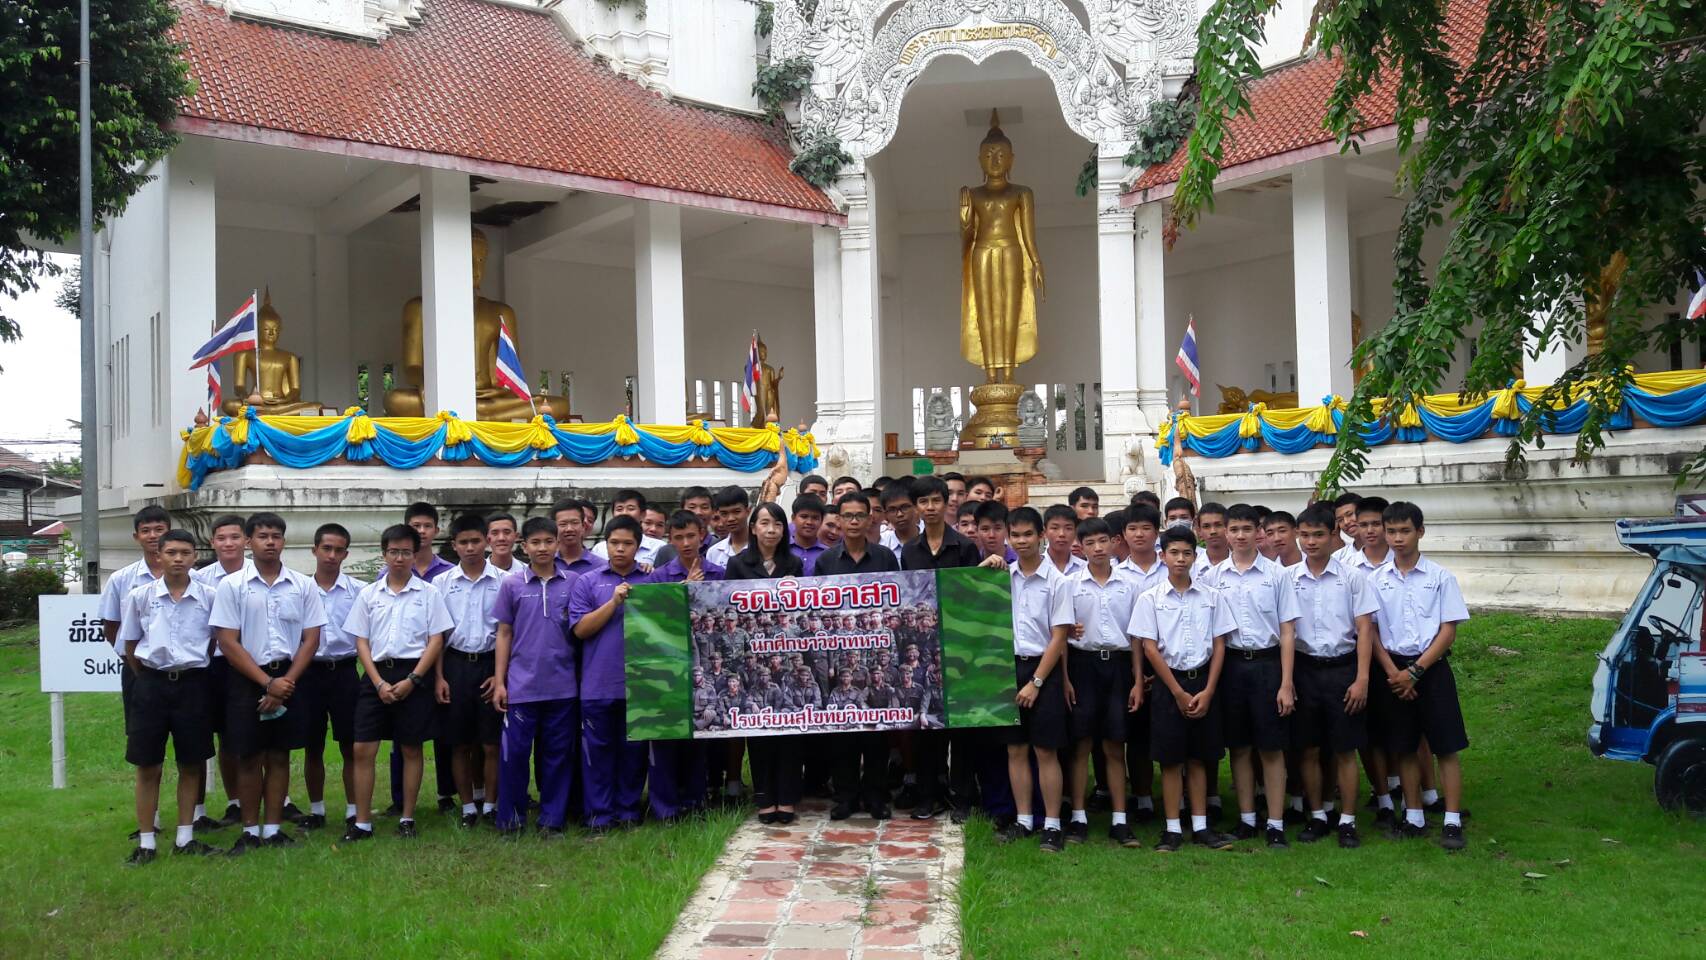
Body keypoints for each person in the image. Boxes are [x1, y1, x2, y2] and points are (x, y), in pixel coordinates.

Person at [211, 513, 327, 853]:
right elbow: (227, 641)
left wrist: (285, 682)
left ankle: (274, 829)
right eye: (263, 536)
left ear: (284, 541)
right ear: (249, 542)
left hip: (290, 677)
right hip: (247, 678)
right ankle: (249, 831)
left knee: (279, 755)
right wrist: (267, 683)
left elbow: (311, 638)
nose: (270, 542)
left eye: (276, 536)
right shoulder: (232, 586)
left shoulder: (302, 585)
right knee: (248, 756)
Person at [342, 524, 454, 842]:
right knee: (363, 747)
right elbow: (360, 641)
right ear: (384, 554)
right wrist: (377, 682)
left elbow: (436, 640)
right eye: (393, 551)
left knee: (410, 747)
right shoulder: (369, 594)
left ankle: (407, 816)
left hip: (413, 675)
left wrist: (415, 679)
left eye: (406, 551)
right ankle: (362, 821)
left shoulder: (429, 594)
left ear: (414, 554)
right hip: (376, 675)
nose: (399, 558)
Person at [1369, 501, 1471, 850]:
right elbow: (1370, 632)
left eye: (1405, 531)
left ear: (1420, 532)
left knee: (1446, 746)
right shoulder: (1374, 580)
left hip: (1431, 668)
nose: (1397, 538)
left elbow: (1448, 631)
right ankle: (1413, 814)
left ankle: (1453, 819)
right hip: (1394, 671)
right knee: (1404, 747)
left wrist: (1416, 670)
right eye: (1391, 531)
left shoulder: (1440, 577)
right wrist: (1394, 673)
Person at [1130, 526, 1237, 851]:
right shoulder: (1150, 598)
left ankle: (1202, 826)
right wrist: (1177, 691)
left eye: (1186, 553)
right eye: (1173, 553)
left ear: (1195, 556)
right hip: (1168, 685)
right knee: (1171, 759)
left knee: (1200, 757)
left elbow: (1220, 645)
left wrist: (1208, 690)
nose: (1180, 559)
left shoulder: (1211, 596)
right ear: (1163, 556)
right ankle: (1173, 827)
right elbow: (1149, 647)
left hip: (1203, 680)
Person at [118, 529, 220, 862]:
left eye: (185, 553)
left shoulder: (209, 596)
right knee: (148, 765)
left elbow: (215, 641)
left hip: (193, 685)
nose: (178, 559)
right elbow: (130, 646)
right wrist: (149, 677)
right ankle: (146, 841)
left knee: (192, 762)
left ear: (194, 557)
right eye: (171, 552)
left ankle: (185, 837)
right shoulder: (141, 596)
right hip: (151, 684)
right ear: (159, 556)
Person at [1286, 503, 1378, 848]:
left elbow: (1364, 628)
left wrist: (1362, 678)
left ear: (1333, 535)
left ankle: (1349, 820)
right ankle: (1318, 816)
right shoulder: (1289, 579)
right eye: (1305, 535)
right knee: (1308, 748)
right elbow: (1286, 631)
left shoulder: (1352, 577)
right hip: (1305, 668)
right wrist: (1288, 679)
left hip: (1343, 667)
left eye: (1318, 535)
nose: (1311, 542)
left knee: (1344, 749)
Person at [1212, 504, 1299, 846]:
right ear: (1225, 533)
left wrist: (1287, 683)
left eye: (1247, 529)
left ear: (1257, 532)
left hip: (1268, 664)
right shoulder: (1214, 577)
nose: (1240, 536)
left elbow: (1288, 630)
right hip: (1231, 666)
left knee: (1271, 747)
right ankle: (1247, 818)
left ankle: (1275, 822)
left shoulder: (1277, 576)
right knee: (1240, 747)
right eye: (1234, 530)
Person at [813, 491, 900, 820]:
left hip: (875, 657)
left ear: (870, 519)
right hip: (840, 659)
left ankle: (876, 796)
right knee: (843, 732)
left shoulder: (885, 558)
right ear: (839, 519)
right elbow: (819, 612)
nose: (852, 522)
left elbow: (896, 604)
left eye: (859, 516)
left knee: (876, 732)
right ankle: (846, 796)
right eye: (846, 516)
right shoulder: (826, 561)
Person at [493, 517, 582, 836]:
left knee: (557, 756)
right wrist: (500, 682)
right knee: (514, 755)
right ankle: (511, 818)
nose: (542, 548)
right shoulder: (512, 585)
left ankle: (552, 819)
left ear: (557, 544)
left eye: (548, 541)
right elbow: (504, 633)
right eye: (535, 542)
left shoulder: (573, 582)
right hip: (521, 686)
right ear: (524, 546)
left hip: (562, 686)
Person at [995, 506, 1074, 852]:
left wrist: (1037, 682)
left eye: (1029, 534)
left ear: (1041, 536)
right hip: (1008, 668)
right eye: (1016, 535)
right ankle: (1024, 819)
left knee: (1045, 750)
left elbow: (1059, 637)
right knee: (1016, 749)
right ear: (1008, 538)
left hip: (1045, 670)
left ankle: (1053, 824)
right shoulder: (1003, 577)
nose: (1022, 541)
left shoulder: (1059, 581)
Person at [726, 502, 808, 823]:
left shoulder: (795, 564)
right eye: (764, 523)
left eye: (777, 524)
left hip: (788, 658)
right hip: (752, 660)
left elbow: (803, 610)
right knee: (759, 731)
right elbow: (729, 608)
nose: (771, 530)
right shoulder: (738, 564)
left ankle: (787, 797)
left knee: (789, 730)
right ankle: (764, 798)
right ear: (753, 528)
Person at [1064, 518, 1143, 847]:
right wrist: (1065, 678)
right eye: (1090, 543)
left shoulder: (1129, 584)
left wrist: (1138, 680)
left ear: (1113, 543)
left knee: (1114, 744)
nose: (1097, 549)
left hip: (1120, 666)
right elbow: (1062, 634)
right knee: (1081, 743)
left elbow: (1138, 637)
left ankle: (1120, 818)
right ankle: (1079, 816)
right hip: (1083, 666)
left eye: (1102, 541)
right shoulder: (1070, 584)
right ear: (1080, 547)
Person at [570, 516, 653, 829]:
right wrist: (614, 602)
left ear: (638, 546)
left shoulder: (650, 579)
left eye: (628, 543)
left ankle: (629, 810)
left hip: (640, 685)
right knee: (598, 755)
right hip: (598, 684)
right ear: (605, 544)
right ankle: (600, 814)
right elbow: (580, 630)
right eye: (615, 543)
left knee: (634, 753)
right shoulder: (588, 582)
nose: (620, 549)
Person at [646, 510, 725, 821]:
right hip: (667, 667)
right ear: (670, 539)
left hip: (705, 665)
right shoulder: (658, 576)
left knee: (700, 733)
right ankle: (665, 806)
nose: (685, 542)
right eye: (678, 537)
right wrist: (684, 590)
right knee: (665, 738)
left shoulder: (719, 573)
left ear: (702, 535)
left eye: (691, 535)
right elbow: (652, 619)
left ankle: (695, 801)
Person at [101, 505, 171, 837]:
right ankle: (150, 820)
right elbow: (111, 626)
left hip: (184, 674)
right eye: (147, 530)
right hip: (139, 674)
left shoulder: (191, 575)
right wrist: (134, 662)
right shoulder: (122, 579)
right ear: (136, 536)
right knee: (146, 748)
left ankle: (195, 817)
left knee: (191, 749)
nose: (154, 536)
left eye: (160, 529)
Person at [436, 514, 506, 828]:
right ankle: (467, 807)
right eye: (463, 542)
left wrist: (501, 676)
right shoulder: (441, 584)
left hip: (491, 664)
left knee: (491, 742)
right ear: (454, 546)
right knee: (459, 742)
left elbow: (509, 632)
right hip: (455, 665)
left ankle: (491, 804)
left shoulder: (504, 581)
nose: (470, 548)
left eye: (475, 541)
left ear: (486, 542)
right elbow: (436, 636)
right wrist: (438, 677)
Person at [299, 523, 365, 831]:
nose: (331, 555)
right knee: (312, 745)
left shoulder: (358, 591)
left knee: (350, 745)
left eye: (339, 550)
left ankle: (354, 809)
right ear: (314, 550)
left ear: (346, 554)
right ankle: (317, 810)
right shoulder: (299, 589)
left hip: (345, 671)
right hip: (308, 673)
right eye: (326, 548)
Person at [191, 514, 251, 829]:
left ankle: (265, 800)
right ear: (213, 542)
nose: (228, 543)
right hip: (211, 665)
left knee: (248, 736)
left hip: (251, 665)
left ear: (246, 541)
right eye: (221, 538)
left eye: (235, 537)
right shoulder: (199, 579)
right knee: (213, 737)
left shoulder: (259, 575)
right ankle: (231, 804)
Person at [593, 490, 665, 565]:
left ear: (643, 514)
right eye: (619, 509)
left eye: (631, 509)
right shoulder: (599, 549)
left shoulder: (659, 547)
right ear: (613, 514)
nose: (624, 513)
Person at [706, 486, 752, 568]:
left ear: (748, 511)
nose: (730, 519)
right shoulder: (714, 552)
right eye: (724, 513)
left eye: (736, 512)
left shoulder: (764, 547)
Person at [1042, 504, 1087, 576]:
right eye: (1055, 528)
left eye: (1068, 528)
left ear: (1075, 532)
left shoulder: (1086, 569)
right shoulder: (1035, 567)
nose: (1061, 534)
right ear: (1044, 532)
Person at [879, 479, 918, 559]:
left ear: (915, 507)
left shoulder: (930, 541)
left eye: (904, 507)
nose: (899, 514)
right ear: (885, 514)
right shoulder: (881, 545)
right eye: (892, 510)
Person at [789, 494, 828, 575]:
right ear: (793, 518)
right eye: (804, 516)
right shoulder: (781, 550)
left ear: (822, 520)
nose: (809, 522)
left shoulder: (829, 554)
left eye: (815, 518)